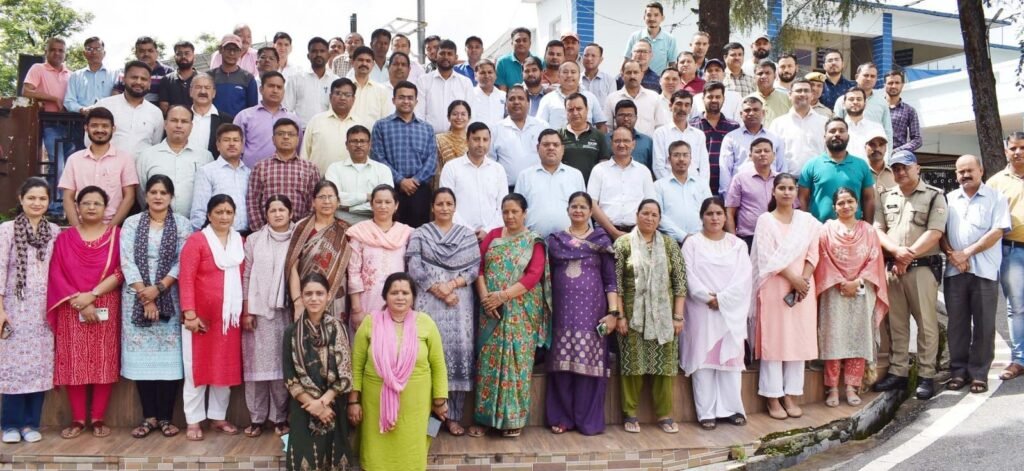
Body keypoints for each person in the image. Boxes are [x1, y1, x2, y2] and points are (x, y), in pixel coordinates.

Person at [349, 273, 448, 469]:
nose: (400, 297)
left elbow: (438, 365)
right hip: (374, 406)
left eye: (405, 292)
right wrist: (353, 401)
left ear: (413, 297)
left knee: (414, 452)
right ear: (385, 296)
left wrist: (439, 401)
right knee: (375, 454)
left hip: (417, 407)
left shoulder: (426, 323)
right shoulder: (370, 322)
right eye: (394, 292)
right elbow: (356, 366)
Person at [469, 194, 549, 438]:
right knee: (488, 362)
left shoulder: (533, 241)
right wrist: (486, 299)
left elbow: (533, 275)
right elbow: (478, 268)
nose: (510, 216)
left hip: (521, 311)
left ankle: (513, 419)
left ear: (525, 213)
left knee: (517, 363)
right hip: (490, 310)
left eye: (515, 211)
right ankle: (484, 418)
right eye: (506, 211)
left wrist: (503, 296)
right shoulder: (493, 236)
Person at [47, 186, 122, 439]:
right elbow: (56, 272)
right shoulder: (65, 238)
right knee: (74, 362)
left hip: (106, 302)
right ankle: (78, 419)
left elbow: (121, 271)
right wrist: (79, 300)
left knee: (104, 361)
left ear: (106, 208)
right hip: (72, 305)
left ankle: (98, 417)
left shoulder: (117, 236)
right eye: (86, 203)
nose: (91, 207)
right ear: (77, 207)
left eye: (97, 203)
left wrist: (94, 295)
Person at [871, 150, 947, 400]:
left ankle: (926, 375)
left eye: (905, 167)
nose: (900, 172)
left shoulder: (934, 195)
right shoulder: (886, 196)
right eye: (896, 168)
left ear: (917, 168)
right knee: (896, 323)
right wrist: (896, 252)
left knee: (926, 323)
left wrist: (907, 255)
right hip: (893, 268)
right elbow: (878, 230)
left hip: (922, 268)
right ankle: (898, 373)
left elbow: (935, 232)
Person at [405, 189, 481, 436]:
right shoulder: (420, 234)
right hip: (429, 301)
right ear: (432, 207)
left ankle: (453, 417)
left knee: (457, 356)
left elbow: (474, 269)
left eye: (449, 203)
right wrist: (439, 289)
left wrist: (452, 285)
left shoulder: (467, 235)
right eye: (440, 204)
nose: (445, 208)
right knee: (427, 355)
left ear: (455, 207)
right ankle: (430, 420)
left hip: (459, 304)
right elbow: (414, 267)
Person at [119, 175, 189, 439]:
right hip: (136, 297)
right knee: (143, 363)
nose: (158, 197)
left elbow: (182, 261)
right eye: (153, 192)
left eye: (163, 192)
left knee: (169, 362)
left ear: (171, 197)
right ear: (146, 196)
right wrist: (145, 296)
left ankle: (166, 417)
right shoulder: (131, 223)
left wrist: (158, 289)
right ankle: (148, 417)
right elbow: (127, 260)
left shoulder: (182, 224)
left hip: (170, 296)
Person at [545, 192, 618, 436]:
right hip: (562, 313)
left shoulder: (600, 240)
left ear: (590, 212)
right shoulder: (556, 241)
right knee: (562, 366)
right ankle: (562, 418)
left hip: (592, 315)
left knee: (589, 366)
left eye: (583, 207)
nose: (578, 211)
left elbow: (610, 280)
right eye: (574, 206)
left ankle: (588, 420)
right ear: (567, 210)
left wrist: (613, 313)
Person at [751, 174, 820, 420]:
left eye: (791, 188)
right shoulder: (765, 221)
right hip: (775, 285)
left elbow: (813, 254)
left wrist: (803, 281)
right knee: (775, 340)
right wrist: (794, 279)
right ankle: (772, 396)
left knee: (797, 340)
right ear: (773, 191)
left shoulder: (807, 221)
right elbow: (767, 258)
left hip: (803, 288)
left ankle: (791, 394)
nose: (787, 192)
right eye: (782, 188)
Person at [614, 199, 686, 434]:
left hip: (664, 317)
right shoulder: (623, 243)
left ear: (660, 219)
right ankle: (630, 413)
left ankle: (664, 414)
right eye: (645, 213)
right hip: (632, 316)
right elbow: (616, 284)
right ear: (636, 215)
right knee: (632, 365)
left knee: (664, 366)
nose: (650, 218)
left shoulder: (670, 245)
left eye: (654, 215)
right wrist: (620, 316)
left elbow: (680, 283)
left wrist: (678, 317)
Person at [815, 187, 890, 407]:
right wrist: (841, 282)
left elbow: (875, 259)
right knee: (833, 337)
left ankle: (851, 386)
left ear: (857, 204)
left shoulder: (868, 231)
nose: (846, 206)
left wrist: (857, 281)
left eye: (850, 201)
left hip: (862, 288)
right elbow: (823, 258)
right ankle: (831, 388)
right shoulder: (825, 230)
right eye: (841, 203)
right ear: (834, 207)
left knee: (858, 336)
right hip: (833, 289)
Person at [680, 197, 750, 430]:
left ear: (725, 216)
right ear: (702, 217)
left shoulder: (737, 245)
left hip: (729, 310)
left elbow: (743, 278)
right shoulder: (692, 243)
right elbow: (688, 275)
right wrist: (707, 297)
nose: (715, 218)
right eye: (709, 213)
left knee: (729, 360)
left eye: (719, 213)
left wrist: (722, 300)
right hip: (701, 309)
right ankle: (706, 412)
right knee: (704, 360)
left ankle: (732, 409)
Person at [941, 155, 1009, 394]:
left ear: (981, 170)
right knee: (957, 324)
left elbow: (997, 231)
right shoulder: (948, 199)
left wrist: (966, 253)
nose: (965, 175)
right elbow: (939, 232)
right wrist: (953, 255)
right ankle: (958, 371)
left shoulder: (996, 198)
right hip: (954, 271)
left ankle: (979, 373)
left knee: (984, 325)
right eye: (961, 171)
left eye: (970, 170)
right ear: (956, 174)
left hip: (985, 271)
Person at [178, 194, 244, 440]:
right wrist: (190, 314)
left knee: (223, 368)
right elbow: (186, 278)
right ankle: (193, 420)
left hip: (229, 320)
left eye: (229, 212)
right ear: (208, 215)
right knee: (196, 369)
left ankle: (218, 417)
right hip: (200, 320)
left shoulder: (239, 242)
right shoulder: (197, 241)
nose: (224, 216)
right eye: (219, 212)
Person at [0, 179, 59, 444]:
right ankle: (10, 424)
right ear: (21, 198)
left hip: (43, 311)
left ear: (49, 202)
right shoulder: (7, 230)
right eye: (32, 198)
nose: (37, 203)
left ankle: (30, 423)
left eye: (42, 198)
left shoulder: (54, 232)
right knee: (13, 367)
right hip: (15, 308)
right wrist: (0, 310)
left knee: (39, 367)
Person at [284, 272, 353, 470]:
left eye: (319, 293)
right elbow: (290, 377)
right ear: (302, 297)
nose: (314, 298)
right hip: (303, 407)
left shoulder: (338, 328)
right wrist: (313, 405)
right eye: (308, 294)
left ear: (328, 296)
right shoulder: (291, 332)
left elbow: (345, 373)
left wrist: (322, 404)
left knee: (334, 459)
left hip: (333, 407)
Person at [242, 195, 297, 438]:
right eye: (272, 210)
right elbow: (247, 275)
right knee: (256, 368)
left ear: (290, 213)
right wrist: (247, 310)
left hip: (286, 311)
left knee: (280, 367)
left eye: (281, 210)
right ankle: (256, 419)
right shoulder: (254, 240)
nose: (277, 214)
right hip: (259, 311)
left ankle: (279, 418)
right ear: (266, 215)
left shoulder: (299, 238)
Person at [373, 82, 439, 228]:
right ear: (393, 100)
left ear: (416, 101)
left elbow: (432, 159)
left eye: (410, 98)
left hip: (419, 190)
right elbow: (378, 157)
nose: (406, 101)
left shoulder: (427, 128)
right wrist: (400, 180)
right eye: (401, 97)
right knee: (390, 230)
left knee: (419, 232)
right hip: (391, 188)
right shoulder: (381, 126)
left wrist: (415, 180)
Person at [348, 185, 414, 331]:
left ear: (396, 205)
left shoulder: (407, 233)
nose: (383, 206)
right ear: (371, 205)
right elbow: (353, 272)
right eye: (378, 202)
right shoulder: (360, 232)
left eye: (388, 202)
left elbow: (411, 270)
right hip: (367, 301)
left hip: (399, 299)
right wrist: (356, 309)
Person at [59, 107, 138, 227]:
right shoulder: (74, 160)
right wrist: (78, 229)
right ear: (86, 128)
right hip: (81, 225)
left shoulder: (125, 159)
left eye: (105, 126)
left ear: (113, 129)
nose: (100, 130)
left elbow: (129, 197)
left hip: (113, 226)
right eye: (94, 126)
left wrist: (110, 229)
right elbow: (67, 198)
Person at [286, 181, 351, 322]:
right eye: (321, 197)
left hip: (337, 297)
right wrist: (297, 301)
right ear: (313, 202)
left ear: (338, 202)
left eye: (330, 197)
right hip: (307, 296)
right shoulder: (302, 228)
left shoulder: (346, 230)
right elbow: (292, 267)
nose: (326, 201)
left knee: (334, 333)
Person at [987, 132, 1024, 381]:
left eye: (1023, 148)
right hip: (1012, 251)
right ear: (1006, 151)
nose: (1018, 152)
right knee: (1017, 307)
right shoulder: (996, 183)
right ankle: (1020, 359)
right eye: (1014, 148)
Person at [136, 106, 214, 217]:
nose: (179, 125)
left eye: (184, 121)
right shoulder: (147, 156)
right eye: (174, 120)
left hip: (195, 223)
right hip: (156, 223)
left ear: (191, 126)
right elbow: (142, 192)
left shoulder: (205, 157)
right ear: (165, 124)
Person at [246, 118, 321, 231]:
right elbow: (252, 201)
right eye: (281, 134)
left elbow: (314, 203)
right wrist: (260, 231)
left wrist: (303, 230)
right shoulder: (260, 167)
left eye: (291, 134)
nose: (286, 137)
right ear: (273, 139)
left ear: (298, 139)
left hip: (301, 231)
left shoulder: (310, 168)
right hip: (267, 231)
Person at [798, 117, 876, 223]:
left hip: (853, 229)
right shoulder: (811, 165)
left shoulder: (861, 165)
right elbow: (802, 199)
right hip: (819, 229)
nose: (837, 134)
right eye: (832, 131)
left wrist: (867, 227)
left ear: (848, 136)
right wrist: (804, 226)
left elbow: (869, 198)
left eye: (841, 131)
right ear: (824, 137)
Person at [440, 122, 509, 238]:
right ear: (467, 140)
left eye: (485, 140)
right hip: (458, 235)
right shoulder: (451, 168)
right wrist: (468, 231)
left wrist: (487, 231)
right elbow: (446, 205)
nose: (481, 144)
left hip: (492, 236)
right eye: (476, 139)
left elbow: (503, 206)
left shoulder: (498, 169)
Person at [515, 129, 586, 238]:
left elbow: (585, 210)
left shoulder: (576, 175)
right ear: (537, 148)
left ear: (562, 149)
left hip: (570, 243)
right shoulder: (525, 176)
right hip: (532, 242)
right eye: (546, 144)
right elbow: (517, 211)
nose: (551, 148)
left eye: (556, 145)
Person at [589, 126, 656, 239]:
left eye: (626, 141)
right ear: (611, 144)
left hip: (637, 232)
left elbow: (651, 205)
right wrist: (613, 231)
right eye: (617, 141)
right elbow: (592, 204)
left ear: (633, 144)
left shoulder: (643, 171)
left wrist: (637, 232)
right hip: (604, 233)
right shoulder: (599, 170)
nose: (621, 145)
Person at [718, 96, 786, 199]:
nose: (751, 113)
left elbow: (782, 168)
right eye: (747, 110)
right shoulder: (731, 138)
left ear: (763, 113)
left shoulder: (775, 138)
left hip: (770, 193)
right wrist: (728, 197)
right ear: (741, 114)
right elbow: (725, 169)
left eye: (755, 110)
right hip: (740, 192)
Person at [92, 61, 164, 159]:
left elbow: (155, 144)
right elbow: (90, 140)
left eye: (143, 79)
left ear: (149, 83)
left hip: (141, 167)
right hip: (107, 166)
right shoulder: (104, 106)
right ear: (124, 79)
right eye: (134, 77)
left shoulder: (156, 113)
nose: (138, 82)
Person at [324, 126, 394, 225]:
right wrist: (366, 197)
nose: (359, 145)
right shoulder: (334, 168)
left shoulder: (383, 170)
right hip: (340, 224)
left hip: (374, 225)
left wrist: (349, 208)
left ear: (370, 144)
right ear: (346, 145)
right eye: (354, 141)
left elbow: (386, 202)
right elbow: (332, 198)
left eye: (363, 141)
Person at [191, 123, 252, 233]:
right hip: (217, 235)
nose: (232, 144)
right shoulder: (207, 172)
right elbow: (199, 212)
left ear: (242, 145)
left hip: (247, 236)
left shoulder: (249, 173)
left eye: (236, 140)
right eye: (226, 140)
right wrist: (205, 237)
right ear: (218, 145)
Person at [234, 71, 302, 168]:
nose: (275, 90)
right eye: (271, 86)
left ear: (283, 91)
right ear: (261, 89)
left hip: (285, 173)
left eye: (279, 87)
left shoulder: (293, 119)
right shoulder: (244, 116)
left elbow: (298, 149)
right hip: (250, 173)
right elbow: (235, 149)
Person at [725, 138, 782, 248]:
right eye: (758, 151)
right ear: (750, 156)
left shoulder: (781, 179)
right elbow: (729, 212)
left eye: (766, 151)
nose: (763, 154)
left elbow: (793, 209)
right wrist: (734, 241)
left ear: (774, 155)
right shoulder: (740, 179)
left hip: (777, 237)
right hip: (748, 238)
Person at [492, 85, 550, 191]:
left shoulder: (542, 126)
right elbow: (491, 162)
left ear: (528, 103)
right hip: (507, 190)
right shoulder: (495, 130)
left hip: (538, 188)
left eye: (521, 98)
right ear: (505, 105)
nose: (516, 102)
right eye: (512, 99)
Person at [299, 78, 363, 174]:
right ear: (330, 97)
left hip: (350, 180)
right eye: (338, 93)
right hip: (318, 180)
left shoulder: (360, 124)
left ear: (353, 99)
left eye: (347, 95)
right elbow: (304, 154)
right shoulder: (316, 121)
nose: (342, 98)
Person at [689, 81, 740, 195]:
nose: (714, 100)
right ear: (703, 98)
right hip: (697, 187)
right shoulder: (692, 125)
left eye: (718, 97)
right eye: (710, 97)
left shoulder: (733, 127)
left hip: (726, 187)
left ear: (723, 99)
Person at [768, 78, 828, 175]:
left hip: (817, 179)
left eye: (806, 91)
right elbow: (771, 154)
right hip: (787, 180)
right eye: (799, 91)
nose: (803, 94)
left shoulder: (824, 122)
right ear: (789, 95)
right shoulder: (778, 124)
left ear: (812, 95)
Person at [656, 141, 711, 242]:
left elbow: (710, 211)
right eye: (676, 155)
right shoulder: (659, 186)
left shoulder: (702, 184)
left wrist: (697, 236)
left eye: (685, 155)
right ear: (669, 159)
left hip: (701, 240)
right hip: (670, 242)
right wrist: (683, 236)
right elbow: (658, 216)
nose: (681, 159)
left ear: (690, 159)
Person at [415, 39, 473, 134]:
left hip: (457, 138)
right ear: (436, 56)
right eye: (442, 53)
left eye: (450, 54)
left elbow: (470, 114)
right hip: (430, 137)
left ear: (456, 57)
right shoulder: (423, 81)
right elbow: (419, 113)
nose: (446, 57)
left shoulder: (465, 83)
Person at [652, 90, 709, 183]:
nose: (683, 108)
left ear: (690, 109)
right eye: (679, 104)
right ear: (670, 106)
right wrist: (671, 186)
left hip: (695, 186)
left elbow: (704, 167)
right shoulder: (660, 133)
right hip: (669, 185)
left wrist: (701, 187)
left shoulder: (699, 135)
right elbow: (658, 167)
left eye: (687, 105)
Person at [604, 60, 670, 136]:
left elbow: (660, 125)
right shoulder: (612, 98)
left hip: (648, 142)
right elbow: (608, 127)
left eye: (635, 72)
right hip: (621, 142)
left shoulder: (653, 97)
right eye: (629, 73)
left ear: (642, 75)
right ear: (622, 75)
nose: (632, 76)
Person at [556, 93, 611, 184]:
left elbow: (604, 165)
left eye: (579, 109)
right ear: (565, 112)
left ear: (587, 109)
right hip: (564, 186)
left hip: (591, 187)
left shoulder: (599, 135)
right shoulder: (558, 135)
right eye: (570, 110)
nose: (575, 113)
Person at [537, 62, 608, 131]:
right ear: (558, 75)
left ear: (579, 76)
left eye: (573, 72)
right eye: (565, 72)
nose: (569, 75)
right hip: (556, 138)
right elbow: (539, 125)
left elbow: (601, 124)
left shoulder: (590, 97)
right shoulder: (548, 99)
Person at [833, 63, 893, 144]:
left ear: (876, 79)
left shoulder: (882, 102)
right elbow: (835, 127)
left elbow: (887, 131)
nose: (869, 79)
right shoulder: (842, 101)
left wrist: (888, 152)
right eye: (866, 75)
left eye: (872, 76)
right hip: (849, 147)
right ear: (856, 77)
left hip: (874, 149)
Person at [284, 37, 339, 124]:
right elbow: (287, 109)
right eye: (314, 51)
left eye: (322, 51)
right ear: (308, 56)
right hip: (302, 129)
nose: (318, 54)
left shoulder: (335, 80)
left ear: (328, 55)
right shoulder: (296, 79)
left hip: (328, 129)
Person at [113, 36, 174, 106]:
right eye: (142, 51)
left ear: (157, 53)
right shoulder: (125, 72)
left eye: (150, 51)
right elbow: (116, 94)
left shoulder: (168, 72)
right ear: (136, 53)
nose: (146, 54)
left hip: (158, 112)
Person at [64, 37, 117, 116]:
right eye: (89, 49)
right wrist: (82, 109)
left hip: (109, 119)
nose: (94, 52)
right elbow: (69, 101)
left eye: (98, 49)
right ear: (84, 53)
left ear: (104, 53)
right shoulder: (75, 76)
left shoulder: (115, 75)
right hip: (81, 119)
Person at [210, 34, 259, 118]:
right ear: (220, 50)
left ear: (240, 52)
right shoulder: (209, 77)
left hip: (238, 125)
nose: (232, 53)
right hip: (214, 124)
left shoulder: (248, 78)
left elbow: (252, 110)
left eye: (236, 50)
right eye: (228, 49)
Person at [623, 3, 677, 75]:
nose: (652, 18)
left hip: (659, 80)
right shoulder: (635, 36)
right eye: (649, 15)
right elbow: (626, 60)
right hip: (636, 79)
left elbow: (672, 64)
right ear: (644, 17)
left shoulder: (670, 39)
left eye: (656, 15)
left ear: (662, 18)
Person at [188, 74, 233, 158]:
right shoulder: (181, 118)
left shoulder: (227, 121)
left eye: (207, 88)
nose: (203, 91)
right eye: (198, 87)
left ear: (214, 93)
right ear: (190, 92)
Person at [840, 88, 887, 163]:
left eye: (859, 99)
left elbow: (884, 155)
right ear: (843, 104)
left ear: (865, 104)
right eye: (851, 99)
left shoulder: (876, 128)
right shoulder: (836, 130)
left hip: (869, 170)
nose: (855, 102)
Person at [607, 100, 655, 171]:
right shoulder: (604, 140)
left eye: (630, 115)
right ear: (615, 117)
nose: (626, 119)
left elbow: (653, 168)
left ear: (636, 118)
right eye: (622, 115)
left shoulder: (647, 142)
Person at [349, 46, 391, 123]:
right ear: (352, 62)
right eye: (360, 60)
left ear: (373, 64)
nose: (364, 63)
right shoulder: (343, 87)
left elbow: (385, 120)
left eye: (368, 61)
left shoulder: (381, 90)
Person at [435, 100, 472, 188]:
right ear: (448, 117)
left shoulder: (473, 140)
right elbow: (437, 170)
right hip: (446, 185)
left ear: (469, 118)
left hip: (469, 185)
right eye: (455, 114)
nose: (459, 117)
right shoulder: (439, 139)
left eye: (463, 114)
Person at [884, 69, 922, 153]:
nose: (894, 86)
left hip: (898, 155)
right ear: (884, 85)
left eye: (897, 83)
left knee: (909, 158)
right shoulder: (876, 108)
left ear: (902, 85)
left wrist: (896, 151)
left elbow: (917, 140)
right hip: (875, 153)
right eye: (890, 83)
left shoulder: (909, 111)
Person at [158, 41, 197, 113]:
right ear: (174, 57)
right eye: (179, 54)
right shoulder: (166, 80)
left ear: (194, 56)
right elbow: (164, 107)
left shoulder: (202, 79)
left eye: (187, 53)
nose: (183, 56)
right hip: (175, 119)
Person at [467, 60, 506, 128]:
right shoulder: (468, 95)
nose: (487, 76)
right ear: (475, 76)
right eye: (482, 73)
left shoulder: (503, 96)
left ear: (495, 75)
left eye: (490, 72)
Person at [753, 61, 791, 126]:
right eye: (760, 73)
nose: (764, 76)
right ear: (754, 77)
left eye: (768, 73)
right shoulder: (747, 100)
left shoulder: (787, 99)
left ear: (775, 76)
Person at [581, 43, 616, 107]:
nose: (589, 58)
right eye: (586, 55)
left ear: (601, 60)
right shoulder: (576, 79)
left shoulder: (609, 81)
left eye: (593, 56)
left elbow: (612, 105)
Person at [865, 130, 895, 195]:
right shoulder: (858, 174)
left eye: (881, 144)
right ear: (865, 147)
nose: (877, 149)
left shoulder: (895, 175)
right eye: (872, 144)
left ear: (886, 148)